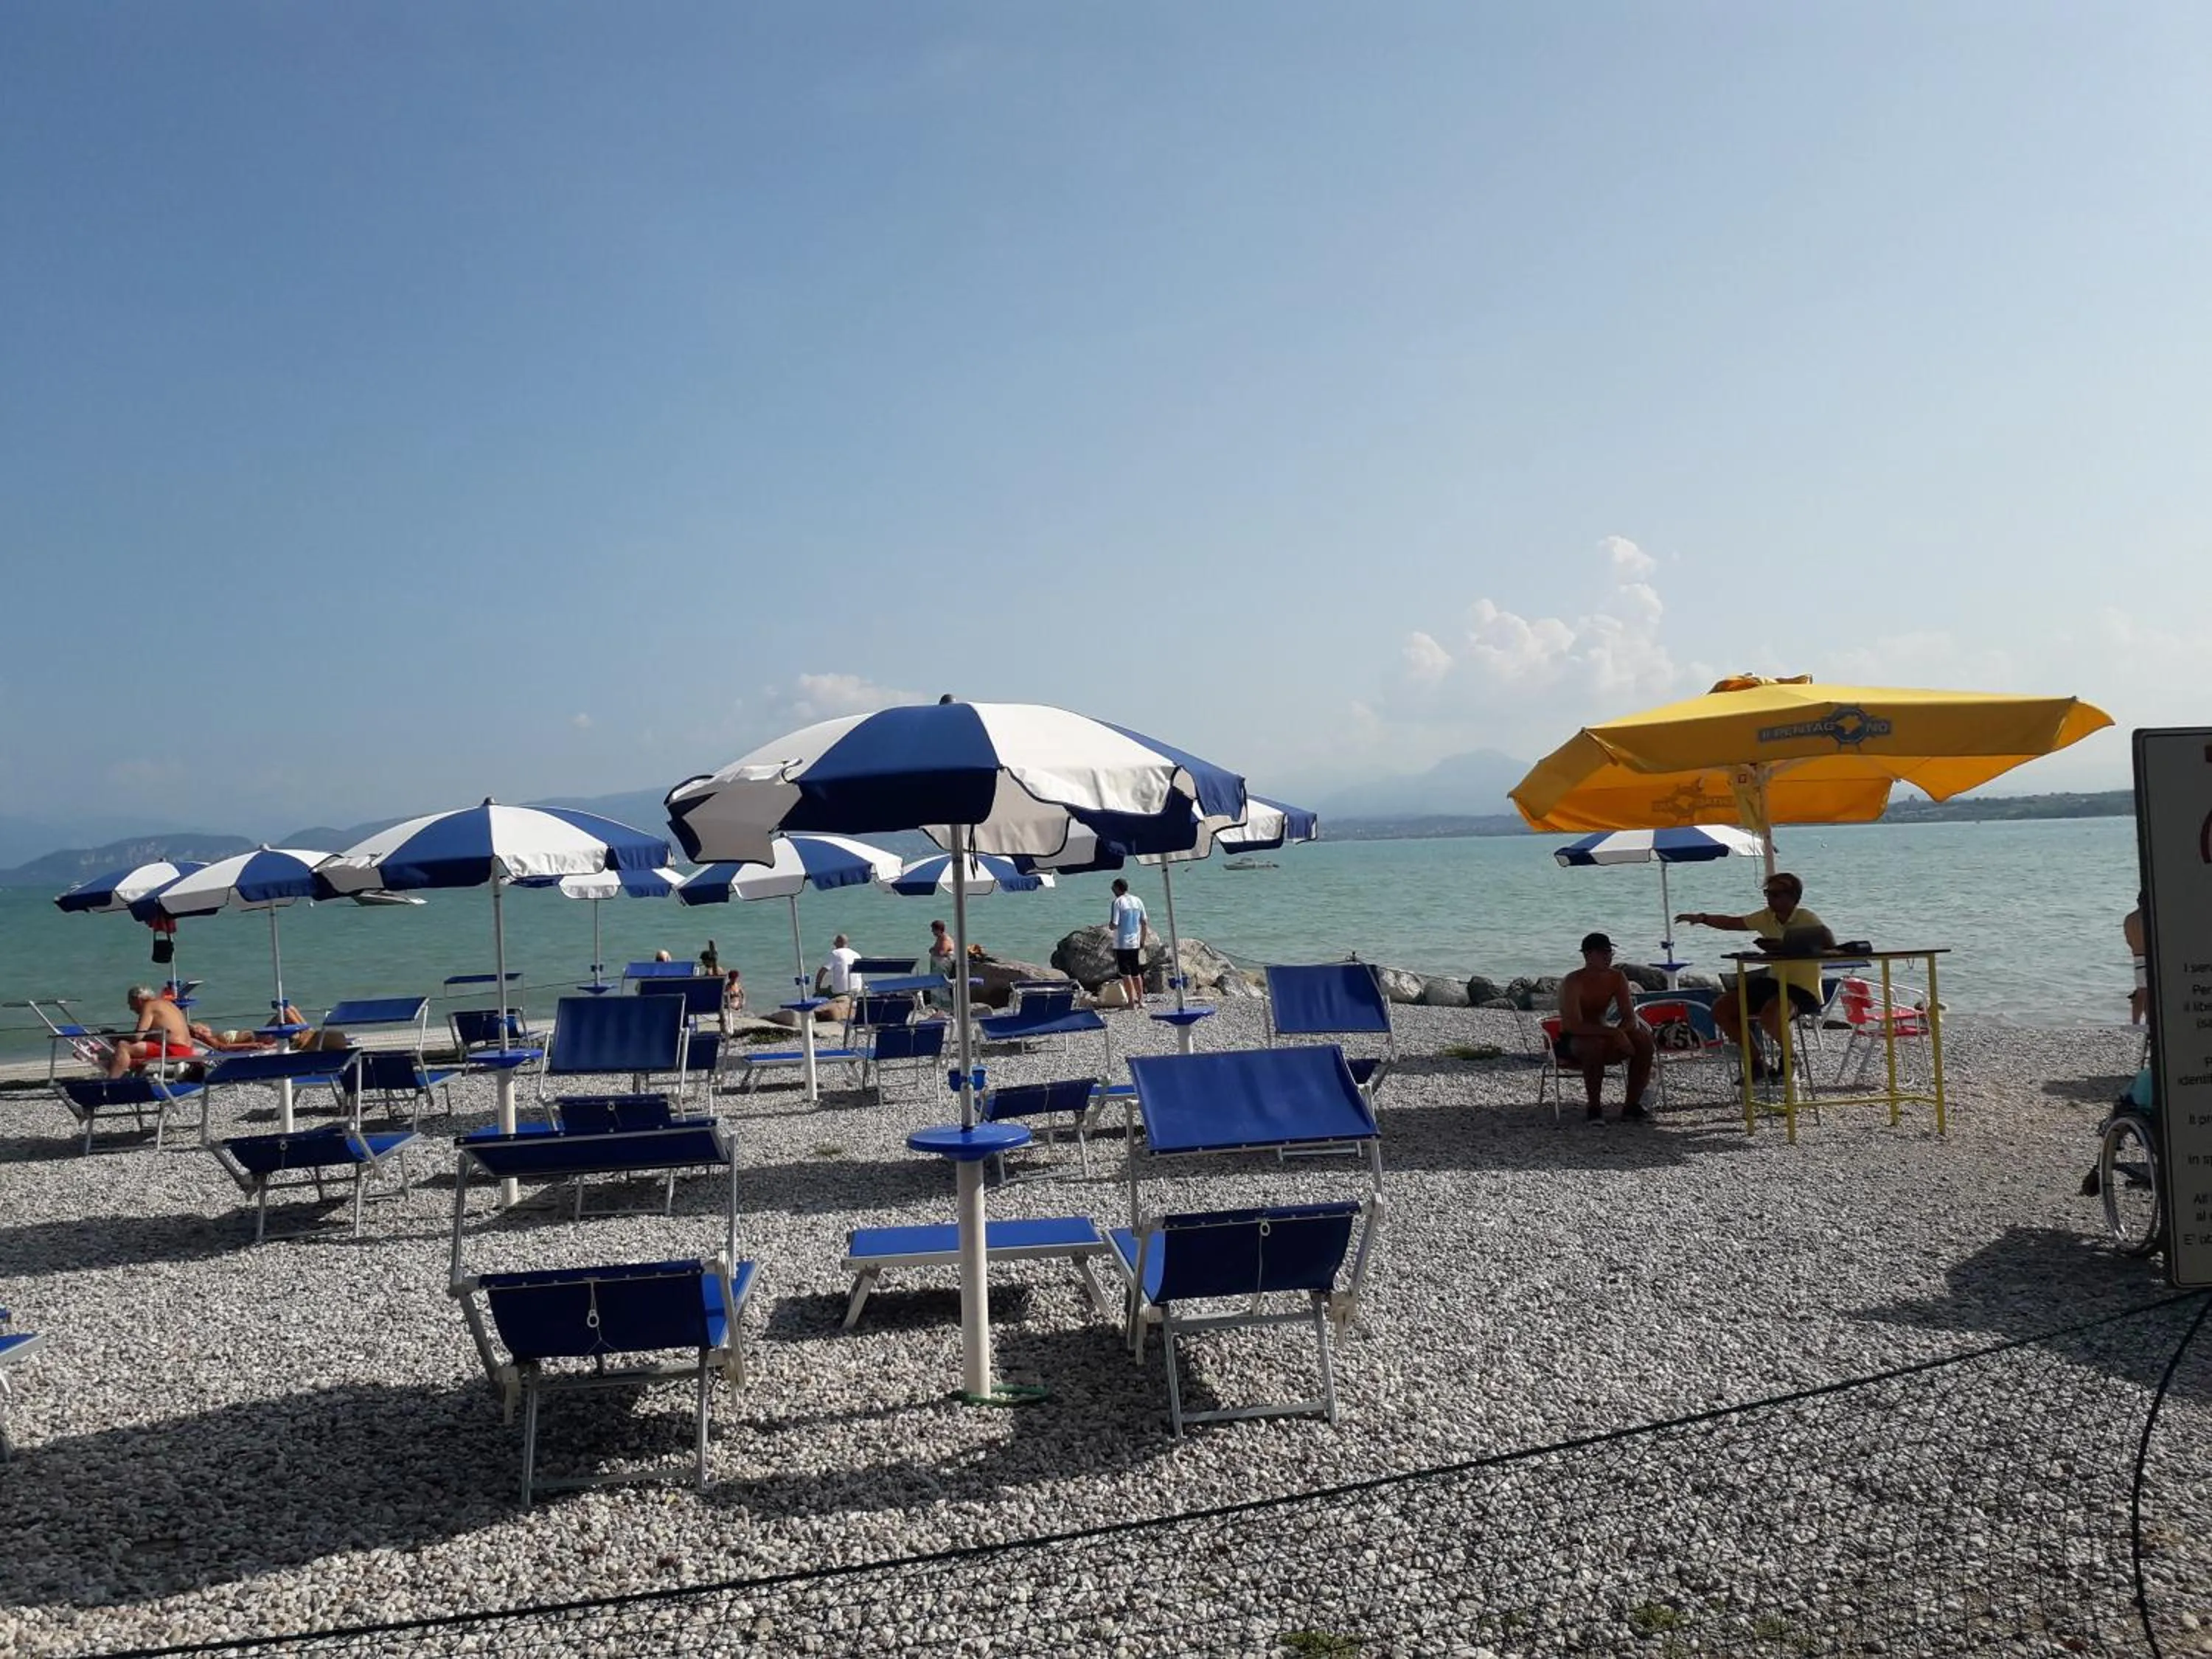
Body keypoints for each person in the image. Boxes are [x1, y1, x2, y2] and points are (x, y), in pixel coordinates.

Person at [1676, 871, 1836, 1077]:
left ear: (1793, 897)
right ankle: (1756, 1061)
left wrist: (1796, 945)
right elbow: (1733, 923)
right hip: (1774, 982)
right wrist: (1703, 918)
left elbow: (1829, 941)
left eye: (1777, 894)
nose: (1771, 898)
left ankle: (1790, 1058)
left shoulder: (1806, 917)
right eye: (1768, 893)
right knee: (1721, 1009)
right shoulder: (1766, 917)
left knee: (1771, 1015)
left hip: (1804, 989)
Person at [1555, 933, 1655, 1121]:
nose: (1608, 958)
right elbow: (1572, 1025)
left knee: (1644, 1040)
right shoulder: (1573, 981)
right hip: (1575, 1039)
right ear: (1587, 955)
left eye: (1610, 953)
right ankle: (1594, 1107)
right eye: (1603, 953)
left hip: (1604, 1033)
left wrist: (1622, 1033)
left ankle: (1631, 1105)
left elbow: (1629, 1016)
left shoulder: (1617, 978)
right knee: (1593, 1046)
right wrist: (1614, 1032)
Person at [106, 985, 199, 1079]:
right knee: (138, 1046)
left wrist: (116, 1036)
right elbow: (146, 1037)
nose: (131, 1008)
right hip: (187, 1049)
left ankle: (111, 1082)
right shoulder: (166, 1004)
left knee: (124, 1046)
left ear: (138, 1000)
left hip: (174, 1050)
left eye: (131, 1004)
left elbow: (137, 1036)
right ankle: (134, 1078)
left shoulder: (149, 1006)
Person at [1108, 878, 1152, 1009]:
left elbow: (1114, 924)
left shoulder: (1117, 902)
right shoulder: (1138, 901)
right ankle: (1141, 1001)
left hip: (1122, 944)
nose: (1112, 890)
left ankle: (1131, 1003)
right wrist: (1142, 941)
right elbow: (1144, 922)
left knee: (1125, 973)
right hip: (1135, 943)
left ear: (1117, 888)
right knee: (1136, 972)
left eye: (1113, 887)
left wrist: (1110, 926)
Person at [2124, 897, 2147, 1024]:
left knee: (2141, 992)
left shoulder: (2129, 919)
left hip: (2137, 956)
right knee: (2148, 994)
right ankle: (2149, 1023)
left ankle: (2136, 1023)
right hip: (2149, 957)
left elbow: (2129, 940)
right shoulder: (2149, 918)